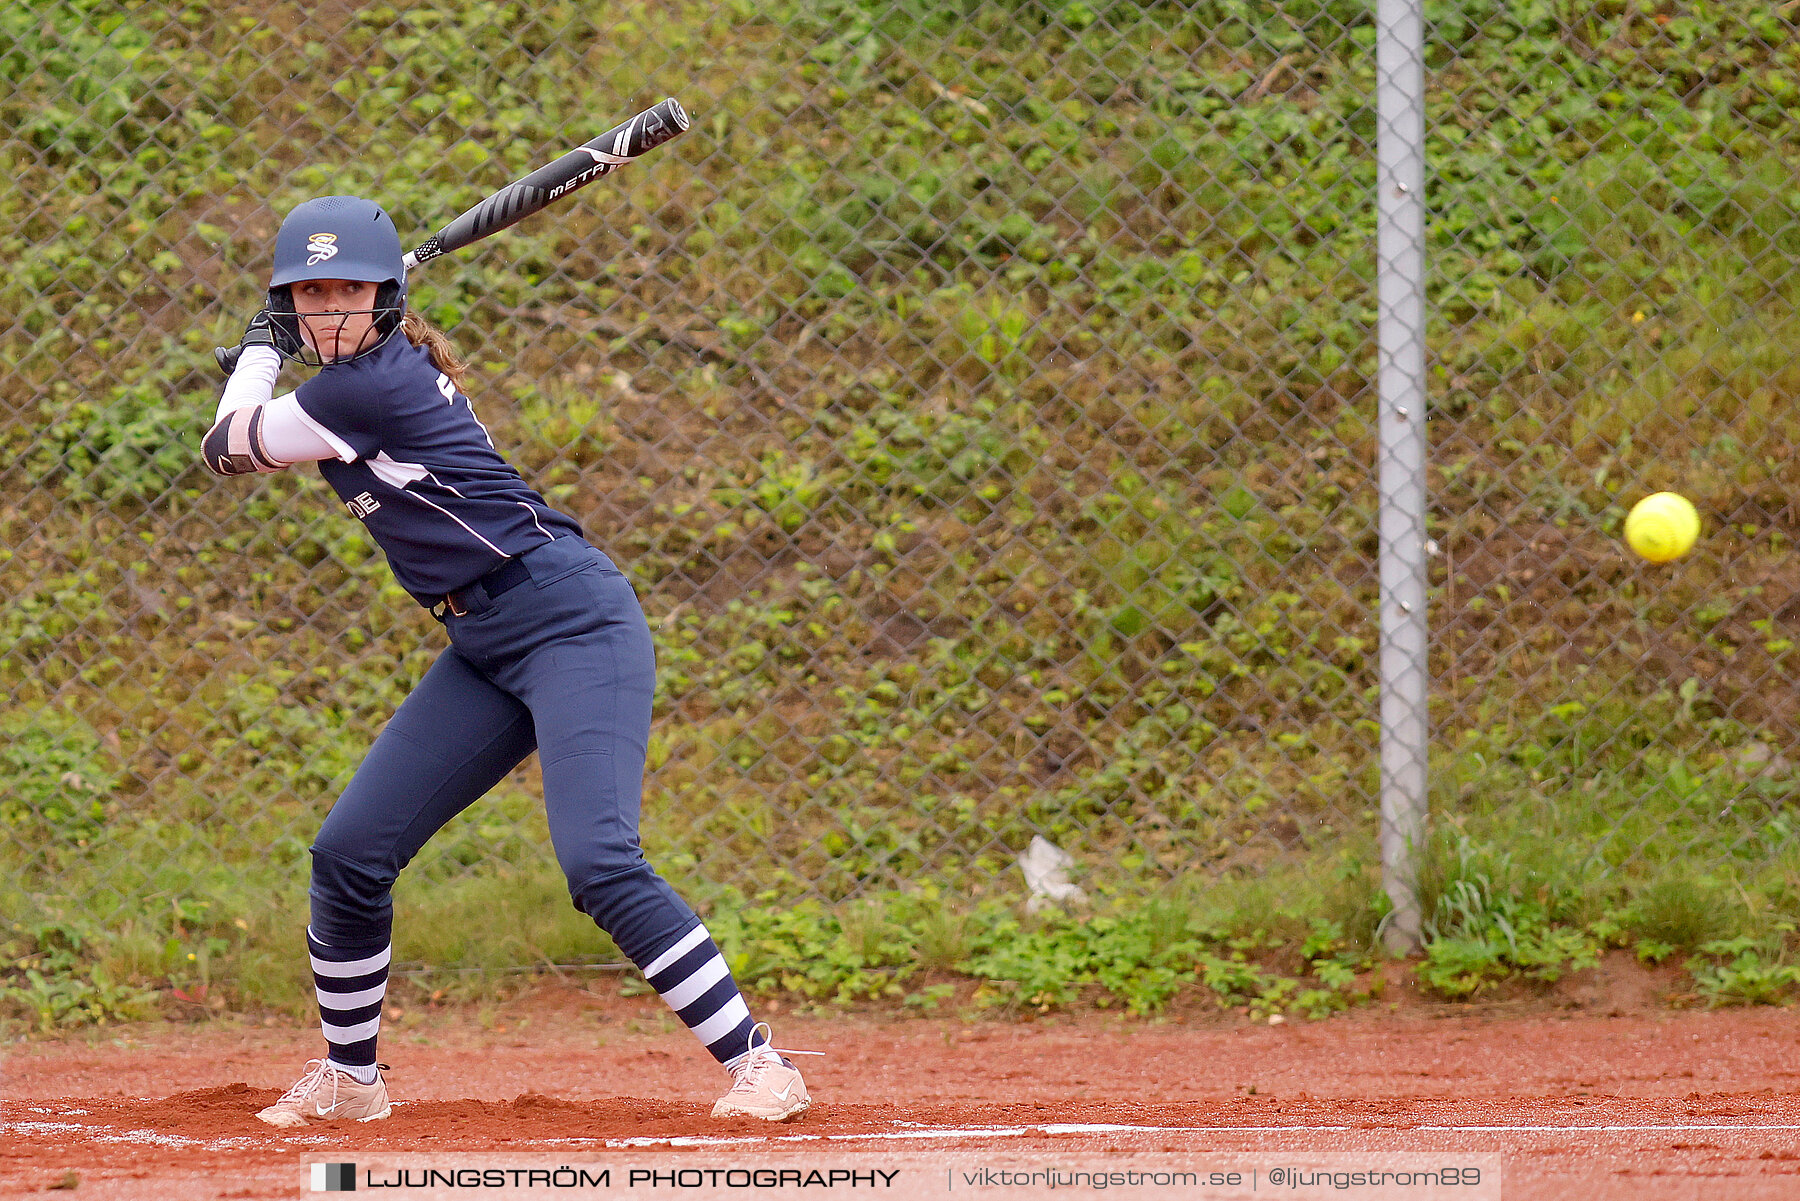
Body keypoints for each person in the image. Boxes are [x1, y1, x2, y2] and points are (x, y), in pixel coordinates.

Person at [200, 195, 814, 1125]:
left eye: (347, 292)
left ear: (387, 297)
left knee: (599, 862)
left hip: (570, 622)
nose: (328, 310)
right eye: (307, 294)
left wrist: (258, 349)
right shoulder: (365, 372)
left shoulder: (363, 388)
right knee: (351, 853)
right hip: (485, 639)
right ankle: (353, 1080)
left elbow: (228, 447)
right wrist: (279, 346)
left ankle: (763, 1066)